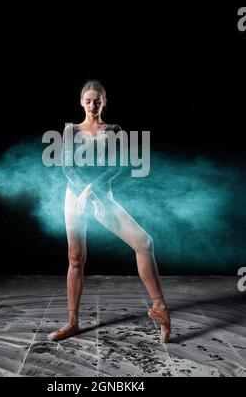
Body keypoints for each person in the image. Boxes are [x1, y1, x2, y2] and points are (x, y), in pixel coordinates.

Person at [48, 80, 171, 343]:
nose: (93, 105)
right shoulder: (70, 130)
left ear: (105, 102)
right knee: (75, 257)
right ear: (81, 102)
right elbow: (67, 168)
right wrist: (84, 191)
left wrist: (93, 189)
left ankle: (159, 306)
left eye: (98, 100)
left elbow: (118, 166)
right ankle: (72, 322)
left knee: (144, 243)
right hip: (76, 197)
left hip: (102, 196)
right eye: (88, 100)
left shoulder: (113, 130)